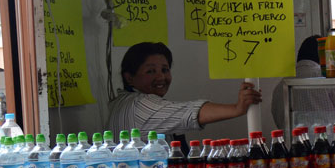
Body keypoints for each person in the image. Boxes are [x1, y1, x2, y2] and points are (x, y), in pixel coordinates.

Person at [106, 42, 262, 137]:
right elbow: (186, 112)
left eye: (165, 69)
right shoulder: (140, 105)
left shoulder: (119, 102)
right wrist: (236, 109)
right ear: (129, 77)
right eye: (150, 71)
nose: (161, 77)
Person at [271, 35, 335, 131]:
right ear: (326, 56)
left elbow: (280, 123)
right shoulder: (330, 78)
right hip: (327, 144)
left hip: (290, 145)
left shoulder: (280, 86)